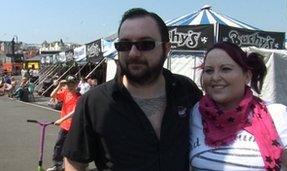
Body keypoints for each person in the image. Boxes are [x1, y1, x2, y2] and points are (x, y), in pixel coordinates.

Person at [63, 8, 202, 171]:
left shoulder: (186, 90)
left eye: (145, 44)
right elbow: (74, 162)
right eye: (124, 45)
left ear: (166, 48)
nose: (133, 53)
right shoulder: (95, 102)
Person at [190, 42, 287, 170]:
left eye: (226, 69)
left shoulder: (277, 117)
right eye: (209, 70)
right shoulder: (196, 113)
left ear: (247, 76)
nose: (215, 77)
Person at [47, 75, 80, 171]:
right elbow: (52, 95)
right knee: (58, 145)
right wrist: (59, 86)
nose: (70, 86)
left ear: (76, 84)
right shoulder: (65, 92)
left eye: (72, 84)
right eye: (68, 84)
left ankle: (76, 166)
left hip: (74, 126)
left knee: (72, 147)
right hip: (64, 126)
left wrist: (61, 120)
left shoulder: (79, 96)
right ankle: (57, 165)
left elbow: (74, 112)